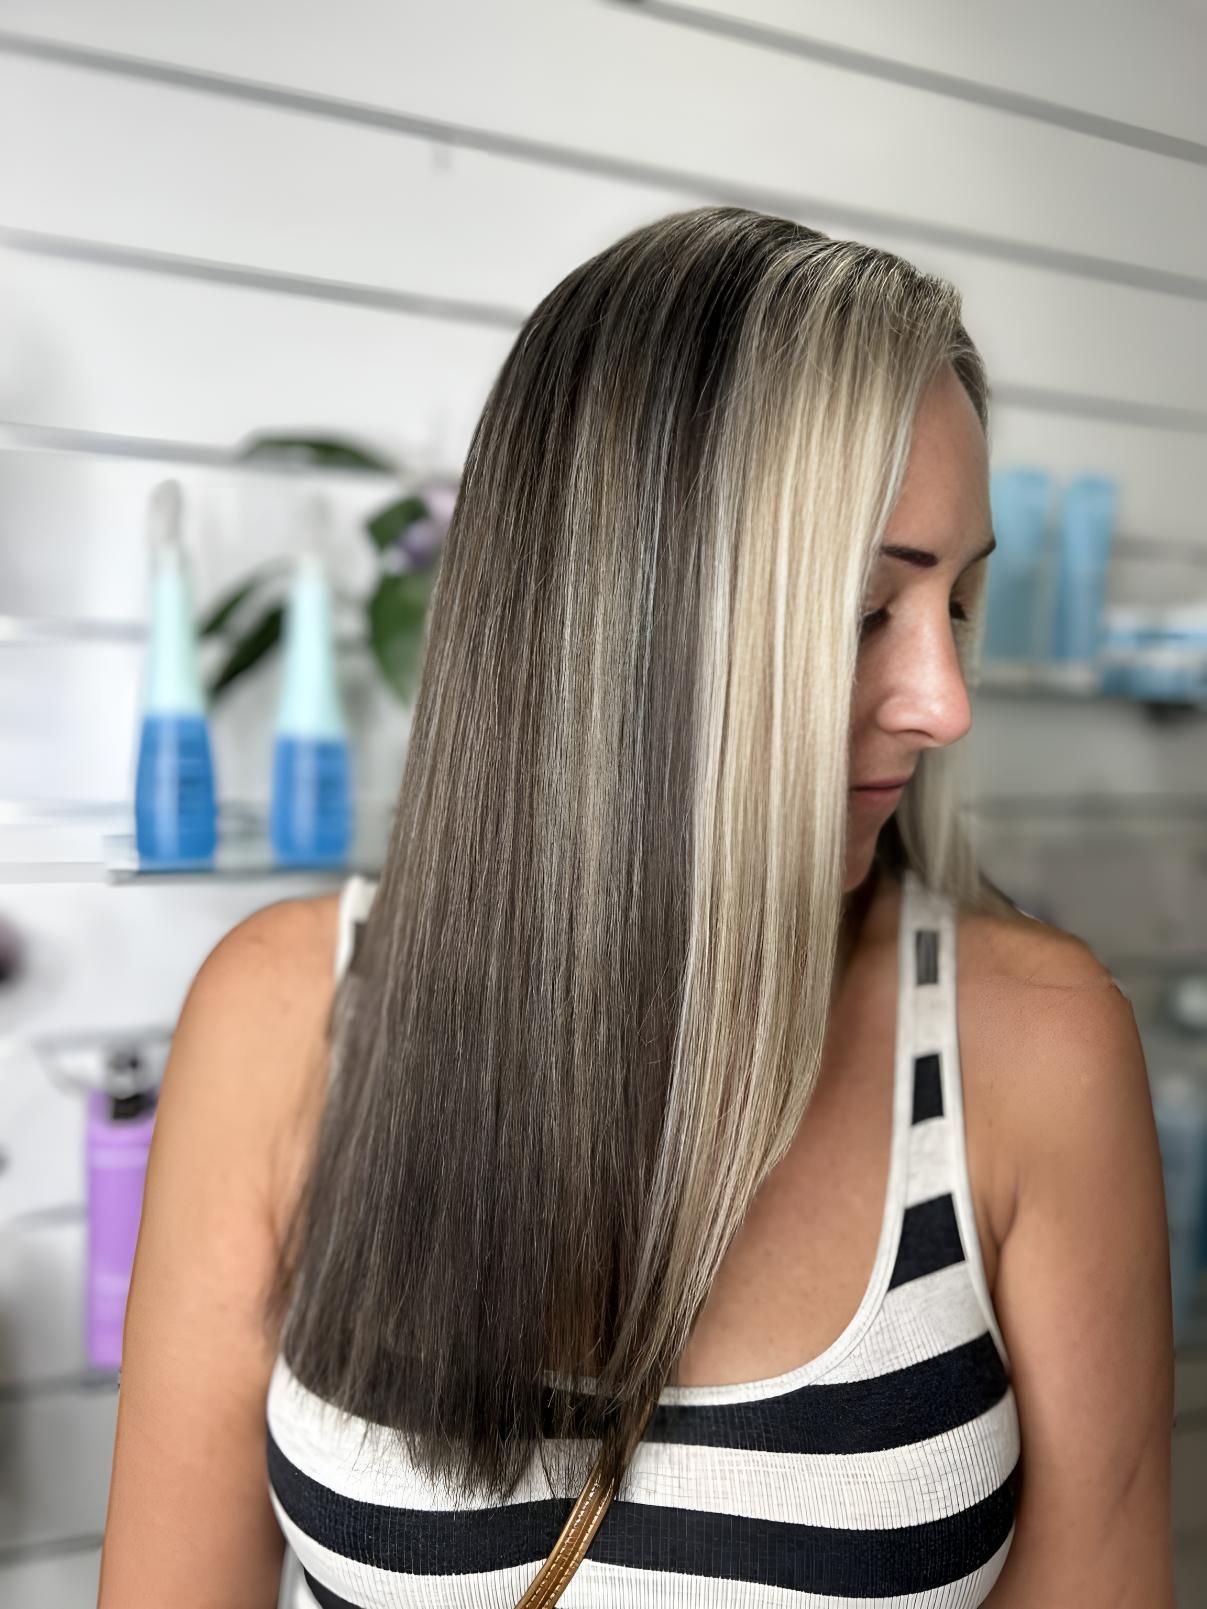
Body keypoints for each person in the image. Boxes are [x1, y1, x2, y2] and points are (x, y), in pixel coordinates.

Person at [98, 206, 1175, 1607]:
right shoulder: (284, 1021)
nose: (944, 701)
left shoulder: (1034, 1047)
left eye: (957, 606)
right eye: (864, 612)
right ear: (627, 620)